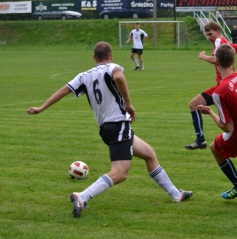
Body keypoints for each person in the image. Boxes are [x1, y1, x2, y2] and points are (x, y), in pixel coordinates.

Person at [26, 41, 193, 218]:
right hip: (119, 124)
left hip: (107, 128)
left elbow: (63, 90)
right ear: (111, 56)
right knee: (120, 173)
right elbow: (119, 77)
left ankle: (177, 194)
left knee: (149, 154)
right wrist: (129, 104)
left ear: (94, 57)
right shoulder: (113, 67)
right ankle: (82, 196)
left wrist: (41, 108)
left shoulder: (84, 75)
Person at [198, 44, 237, 206]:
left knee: (214, 148)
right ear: (233, 61)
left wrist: (210, 112)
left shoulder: (220, 91)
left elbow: (227, 127)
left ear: (216, 63)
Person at [185, 21, 237, 150]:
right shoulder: (226, 43)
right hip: (225, 86)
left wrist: (203, 56)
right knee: (194, 105)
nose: (209, 37)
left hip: (223, 88)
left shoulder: (219, 40)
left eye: (210, 34)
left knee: (228, 122)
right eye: (207, 35)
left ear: (218, 32)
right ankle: (201, 140)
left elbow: (215, 60)